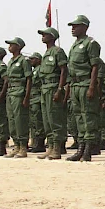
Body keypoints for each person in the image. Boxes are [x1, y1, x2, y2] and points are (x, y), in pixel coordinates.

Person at [65, 15, 104, 162]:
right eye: (72, 26)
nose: (73, 28)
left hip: (86, 83)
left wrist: (92, 86)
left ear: (85, 27)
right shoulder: (74, 45)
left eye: (76, 26)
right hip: (75, 85)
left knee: (88, 116)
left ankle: (88, 148)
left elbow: (95, 66)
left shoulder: (91, 43)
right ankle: (80, 148)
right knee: (79, 118)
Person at [35, 27, 68, 160]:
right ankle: (50, 147)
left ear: (52, 36)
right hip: (45, 88)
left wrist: (59, 89)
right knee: (47, 119)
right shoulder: (46, 53)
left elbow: (64, 70)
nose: (42, 36)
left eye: (45, 34)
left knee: (55, 119)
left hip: (54, 87)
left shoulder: (57, 51)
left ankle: (57, 148)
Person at [3, 37, 32, 158]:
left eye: (12, 44)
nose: (9, 46)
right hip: (11, 92)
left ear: (18, 46)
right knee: (12, 120)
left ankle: (23, 147)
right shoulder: (10, 61)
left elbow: (29, 79)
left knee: (20, 120)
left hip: (19, 91)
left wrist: (26, 97)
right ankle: (16, 145)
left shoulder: (23, 60)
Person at [26, 52, 46, 153]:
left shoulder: (40, 69)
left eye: (33, 59)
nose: (31, 61)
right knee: (34, 122)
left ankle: (40, 144)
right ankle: (35, 143)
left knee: (39, 121)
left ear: (38, 60)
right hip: (32, 98)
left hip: (37, 98)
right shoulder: (34, 71)